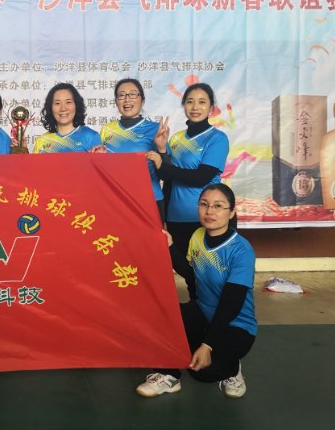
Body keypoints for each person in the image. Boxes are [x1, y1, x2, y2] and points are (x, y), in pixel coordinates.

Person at [136, 183, 256, 399]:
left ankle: (232, 369)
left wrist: (207, 345)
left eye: (218, 206)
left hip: (236, 324)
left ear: (231, 212)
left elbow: (231, 303)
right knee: (159, 317)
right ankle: (168, 376)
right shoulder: (198, 236)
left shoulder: (241, 250)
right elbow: (191, 275)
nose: (210, 211)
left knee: (203, 372)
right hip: (202, 311)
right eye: (204, 204)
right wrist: (169, 246)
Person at [150, 82, 229, 301]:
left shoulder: (217, 138)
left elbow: (201, 177)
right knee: (182, 266)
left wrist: (164, 165)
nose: (195, 107)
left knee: (204, 272)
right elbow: (167, 177)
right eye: (190, 101)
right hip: (176, 217)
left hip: (204, 217)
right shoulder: (176, 138)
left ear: (211, 107)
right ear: (184, 105)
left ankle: (207, 312)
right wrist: (162, 149)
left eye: (202, 102)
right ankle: (197, 309)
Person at [99, 78, 167, 222]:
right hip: (115, 199)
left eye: (133, 94)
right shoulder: (107, 130)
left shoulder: (156, 129)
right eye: (122, 95)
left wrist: (162, 151)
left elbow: (167, 172)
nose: (127, 99)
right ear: (116, 101)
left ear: (142, 100)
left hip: (149, 198)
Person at [32, 83, 102, 153]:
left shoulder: (90, 136)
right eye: (57, 103)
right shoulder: (41, 141)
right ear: (50, 108)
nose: (63, 108)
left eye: (68, 102)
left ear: (76, 105)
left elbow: (100, 159)